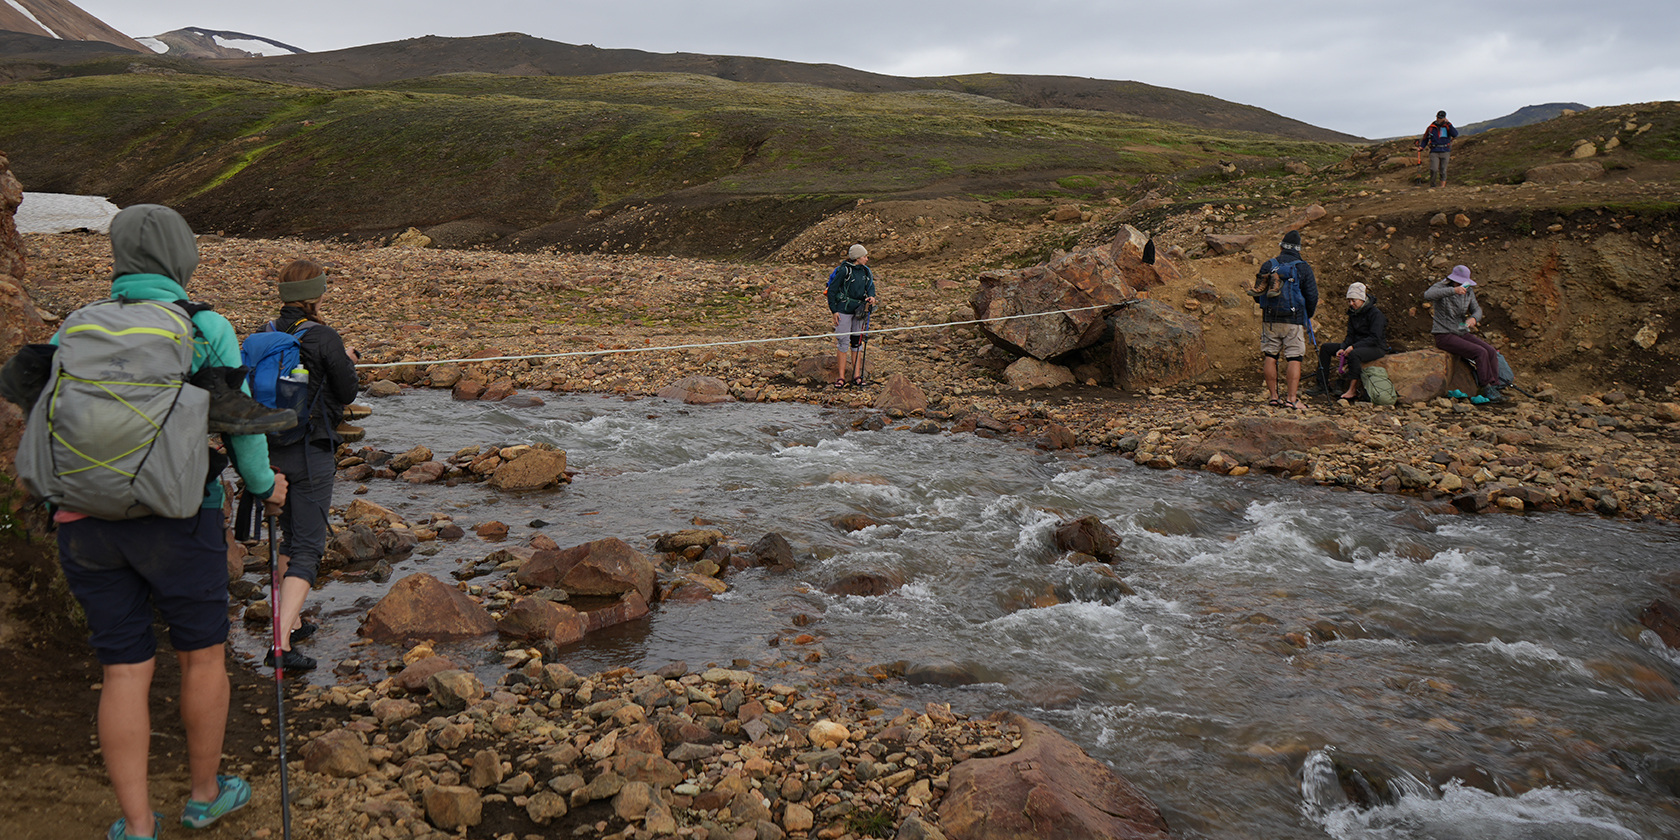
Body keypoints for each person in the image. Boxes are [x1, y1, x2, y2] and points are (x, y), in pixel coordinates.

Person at [48, 205, 287, 840]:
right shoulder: (205, 325)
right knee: (202, 656)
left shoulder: (75, 327)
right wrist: (266, 488)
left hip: (84, 517)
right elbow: (240, 428)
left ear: (119, 256)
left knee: (122, 668)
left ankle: (136, 823)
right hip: (179, 516)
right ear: (185, 257)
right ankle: (205, 797)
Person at [265, 258, 361, 672]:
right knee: (307, 549)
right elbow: (347, 389)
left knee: (287, 537)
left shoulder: (265, 335)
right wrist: (346, 357)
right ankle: (281, 643)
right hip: (310, 450)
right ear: (317, 293)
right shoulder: (324, 336)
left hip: (268, 450)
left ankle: (294, 622)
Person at [1250, 230, 1319, 410]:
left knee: (1270, 355)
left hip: (1270, 319)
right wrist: (1307, 315)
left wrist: (1265, 306)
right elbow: (1312, 295)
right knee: (1294, 357)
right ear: (1299, 248)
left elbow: (1258, 294)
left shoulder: (1268, 265)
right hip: (1293, 320)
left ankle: (1274, 397)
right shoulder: (1303, 268)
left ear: (1281, 246)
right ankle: (1292, 399)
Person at [1424, 265, 1503, 403]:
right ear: (1453, 280)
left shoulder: (1468, 290)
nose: (1462, 285)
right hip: (1444, 334)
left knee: (1490, 351)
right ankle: (1486, 386)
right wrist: (1453, 291)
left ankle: (1495, 386)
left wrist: (1474, 318)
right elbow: (1427, 295)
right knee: (1480, 352)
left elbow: (1477, 309)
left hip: (1461, 331)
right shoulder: (1441, 287)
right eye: (1458, 283)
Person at [1317, 282, 1387, 401]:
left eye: (1353, 300)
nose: (1351, 304)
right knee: (1326, 348)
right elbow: (1350, 335)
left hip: (1376, 347)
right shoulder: (1353, 313)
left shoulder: (1376, 314)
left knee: (1355, 354)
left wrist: (1353, 347)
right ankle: (1322, 384)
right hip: (1356, 344)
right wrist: (1343, 347)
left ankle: (1352, 390)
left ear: (1362, 299)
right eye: (1349, 301)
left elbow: (1375, 337)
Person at [827, 243, 877, 387]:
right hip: (843, 310)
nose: (867, 259)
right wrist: (834, 311)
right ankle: (841, 377)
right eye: (864, 256)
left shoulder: (866, 271)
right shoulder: (844, 270)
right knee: (843, 342)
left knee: (857, 342)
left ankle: (857, 376)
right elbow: (832, 290)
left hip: (859, 311)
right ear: (857, 258)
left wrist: (871, 297)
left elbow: (870, 287)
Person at [1418, 110, 1459, 188]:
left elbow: (1455, 134)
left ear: (1444, 118)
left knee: (1443, 169)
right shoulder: (1431, 128)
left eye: (1441, 118)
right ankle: (1432, 185)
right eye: (1438, 117)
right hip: (1434, 151)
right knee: (1434, 169)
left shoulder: (1447, 126)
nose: (1439, 119)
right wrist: (1422, 147)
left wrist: (1449, 124)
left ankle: (1442, 186)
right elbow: (1425, 139)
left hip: (1445, 150)